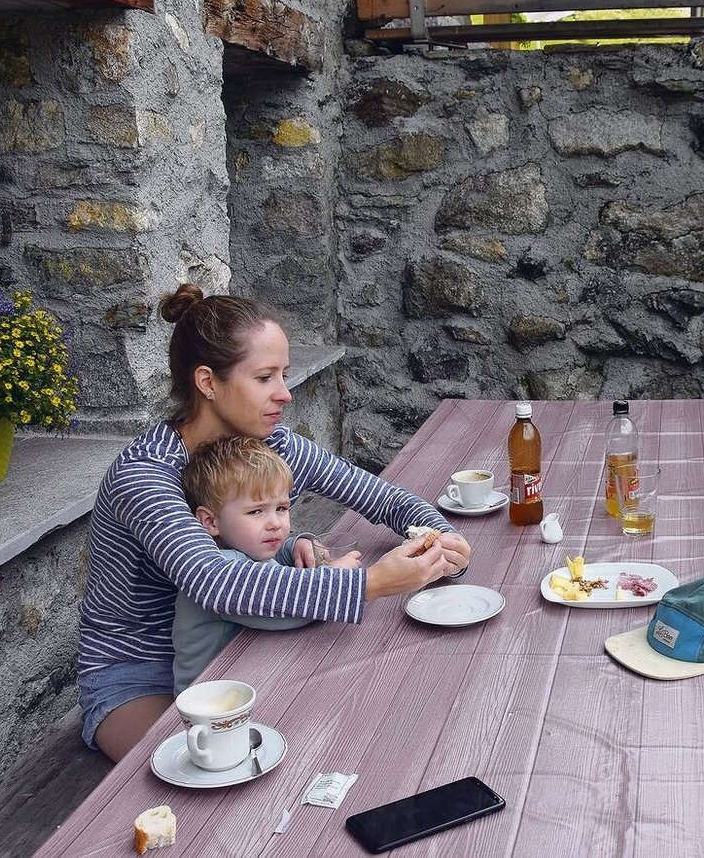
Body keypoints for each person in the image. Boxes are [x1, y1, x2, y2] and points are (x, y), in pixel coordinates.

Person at [78, 284, 470, 760]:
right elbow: (216, 582)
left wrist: (440, 538)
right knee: (222, 770)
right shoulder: (146, 476)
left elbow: (382, 498)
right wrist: (369, 584)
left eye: (283, 374)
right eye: (265, 377)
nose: (284, 393)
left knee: (350, 723)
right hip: (140, 676)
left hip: (237, 644)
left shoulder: (272, 447)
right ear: (207, 382)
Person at [172, 435, 362, 695]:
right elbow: (291, 608)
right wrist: (336, 576)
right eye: (256, 511)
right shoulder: (222, 568)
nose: (275, 523)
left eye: (281, 508)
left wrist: (296, 545)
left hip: (250, 673)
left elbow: (270, 561)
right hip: (209, 705)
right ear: (210, 522)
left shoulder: (245, 547)